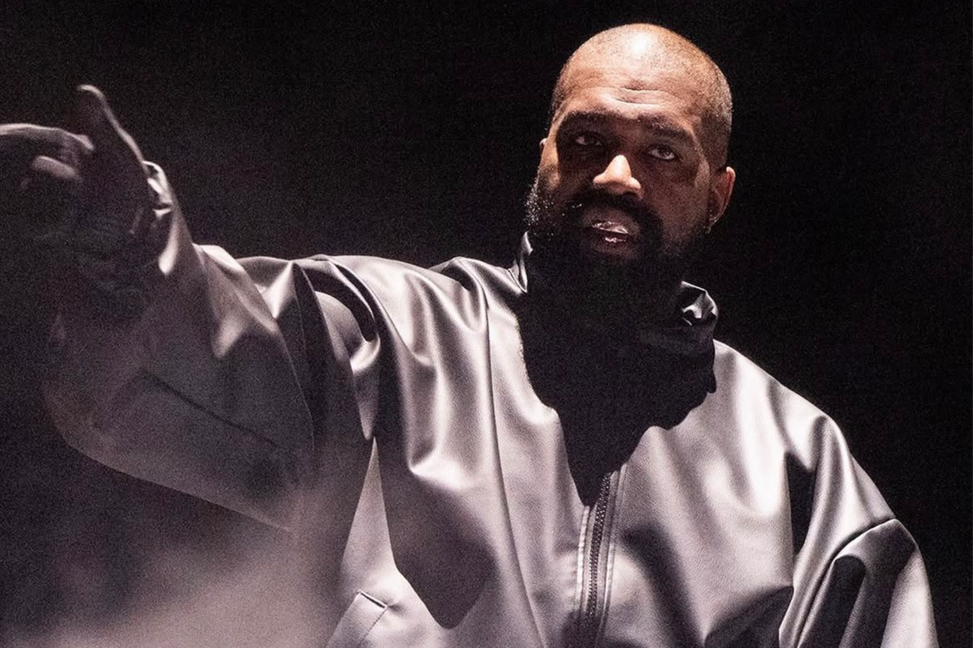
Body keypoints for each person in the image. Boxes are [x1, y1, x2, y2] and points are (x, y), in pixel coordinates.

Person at [0, 23, 938, 647]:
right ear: (543, 157)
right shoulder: (394, 338)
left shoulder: (797, 464)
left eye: (662, 152)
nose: (617, 176)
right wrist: (128, 249)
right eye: (586, 141)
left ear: (716, 194)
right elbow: (201, 347)